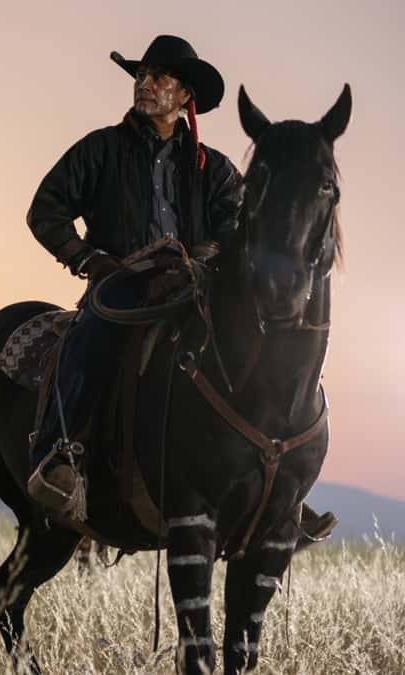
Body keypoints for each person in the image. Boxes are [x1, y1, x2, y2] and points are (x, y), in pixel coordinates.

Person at [23, 35, 336, 540]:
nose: (146, 85)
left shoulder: (213, 168)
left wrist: (211, 253)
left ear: (185, 95)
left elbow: (237, 227)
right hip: (121, 285)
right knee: (89, 337)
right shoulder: (100, 150)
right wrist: (86, 259)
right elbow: (46, 210)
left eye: (160, 77)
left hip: (192, 287)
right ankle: (62, 455)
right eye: (142, 75)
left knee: (258, 347)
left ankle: (279, 485)